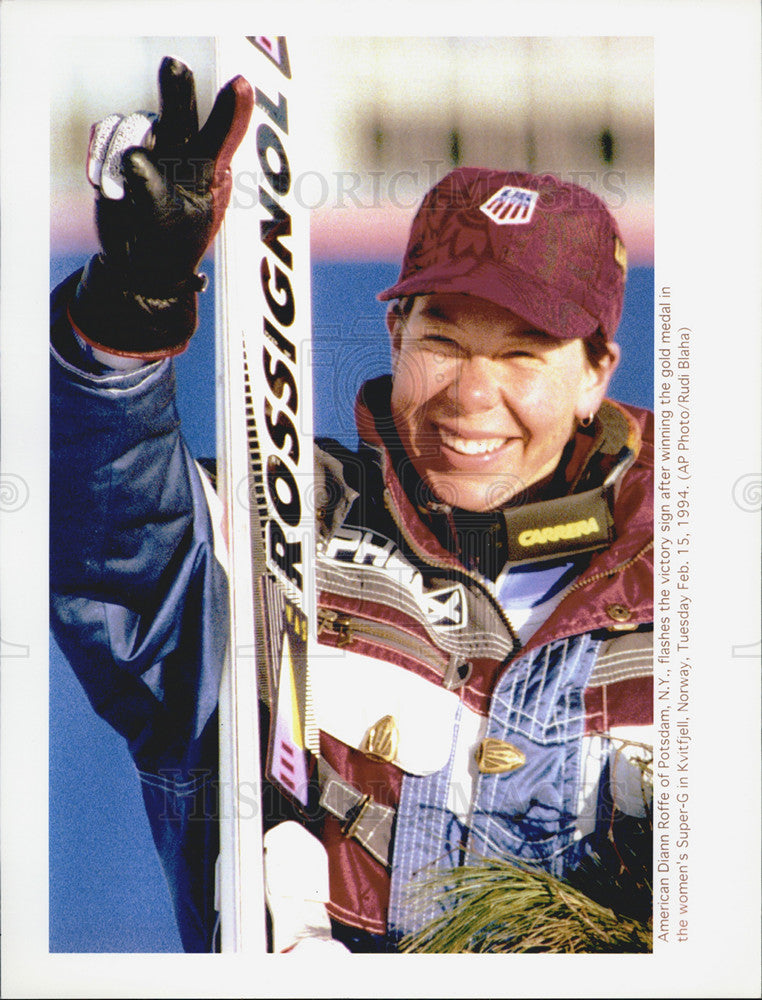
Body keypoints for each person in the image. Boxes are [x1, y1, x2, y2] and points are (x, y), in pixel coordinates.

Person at [51, 58, 653, 954]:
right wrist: (131, 315)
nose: (473, 396)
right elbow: (113, 542)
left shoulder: (698, 570)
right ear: (394, 332)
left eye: (525, 356)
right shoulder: (282, 523)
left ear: (595, 375)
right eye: (443, 339)